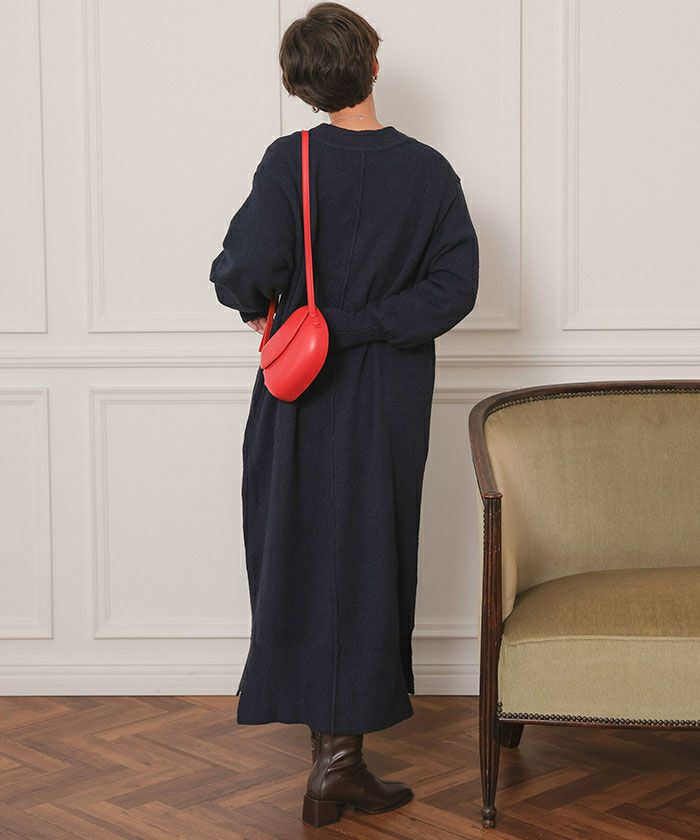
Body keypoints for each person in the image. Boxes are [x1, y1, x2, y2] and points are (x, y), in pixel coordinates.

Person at [209, 2, 478, 827]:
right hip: (389, 398)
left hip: (298, 395)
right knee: (368, 554)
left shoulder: (287, 161)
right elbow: (453, 290)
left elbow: (242, 273)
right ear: (373, 65)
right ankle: (339, 764)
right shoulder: (429, 173)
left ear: (300, 85)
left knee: (295, 551)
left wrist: (295, 316)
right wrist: (363, 324)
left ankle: (335, 765)